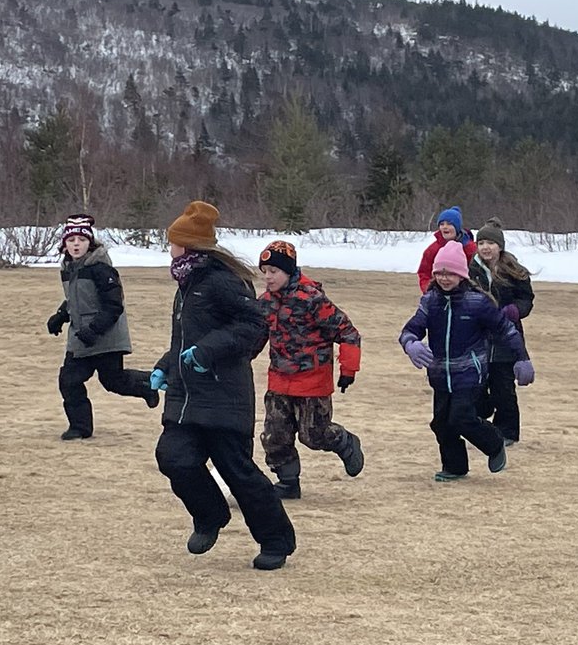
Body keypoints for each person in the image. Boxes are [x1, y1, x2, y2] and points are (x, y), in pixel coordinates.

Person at [150, 201, 297, 570]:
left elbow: (253, 326)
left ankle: (276, 540)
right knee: (173, 458)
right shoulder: (187, 283)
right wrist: (166, 367)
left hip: (223, 396)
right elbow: (185, 339)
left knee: (238, 471)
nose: (170, 248)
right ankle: (211, 515)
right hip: (186, 397)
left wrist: (207, 352)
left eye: (173, 242)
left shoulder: (222, 280)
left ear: (189, 245)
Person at [399, 240, 535, 481]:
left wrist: (521, 358)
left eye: (450, 273)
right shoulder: (430, 301)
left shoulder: (478, 302)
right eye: (440, 273)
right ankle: (454, 467)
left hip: (469, 374)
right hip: (440, 374)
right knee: (441, 424)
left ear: (462, 274)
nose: (444, 278)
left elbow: (507, 330)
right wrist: (411, 344)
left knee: (461, 417)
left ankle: (494, 443)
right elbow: (411, 328)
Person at [254, 239, 365, 499]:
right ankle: (288, 481)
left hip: (312, 381)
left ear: (288, 271)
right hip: (279, 379)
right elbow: (255, 338)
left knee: (313, 435)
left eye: (274, 272)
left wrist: (348, 369)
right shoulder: (264, 303)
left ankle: (344, 441)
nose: (268, 277)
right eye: (264, 272)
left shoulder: (312, 299)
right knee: (274, 436)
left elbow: (348, 333)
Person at [46, 213, 159, 440]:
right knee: (69, 380)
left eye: (81, 240)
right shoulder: (70, 267)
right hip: (81, 336)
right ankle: (80, 428)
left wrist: (94, 330)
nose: (75, 244)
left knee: (113, 381)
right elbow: (77, 299)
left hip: (105, 337)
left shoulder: (101, 269)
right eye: (71, 240)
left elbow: (113, 305)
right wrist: (61, 314)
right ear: (64, 244)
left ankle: (147, 385)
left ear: (90, 243)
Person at [468, 217, 534, 447]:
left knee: (504, 388)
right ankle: (480, 419)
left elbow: (527, 299)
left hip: (506, 339)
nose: (486, 248)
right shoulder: (469, 270)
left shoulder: (514, 271)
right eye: (481, 243)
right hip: (477, 340)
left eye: (490, 243)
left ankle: (507, 431)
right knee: (475, 387)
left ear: (500, 246)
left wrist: (516, 310)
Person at [416, 206, 477, 293]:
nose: (445, 227)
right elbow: (424, 273)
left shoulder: (471, 248)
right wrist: (429, 291)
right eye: (442, 224)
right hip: (439, 295)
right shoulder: (432, 250)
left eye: (449, 224)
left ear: (457, 227)